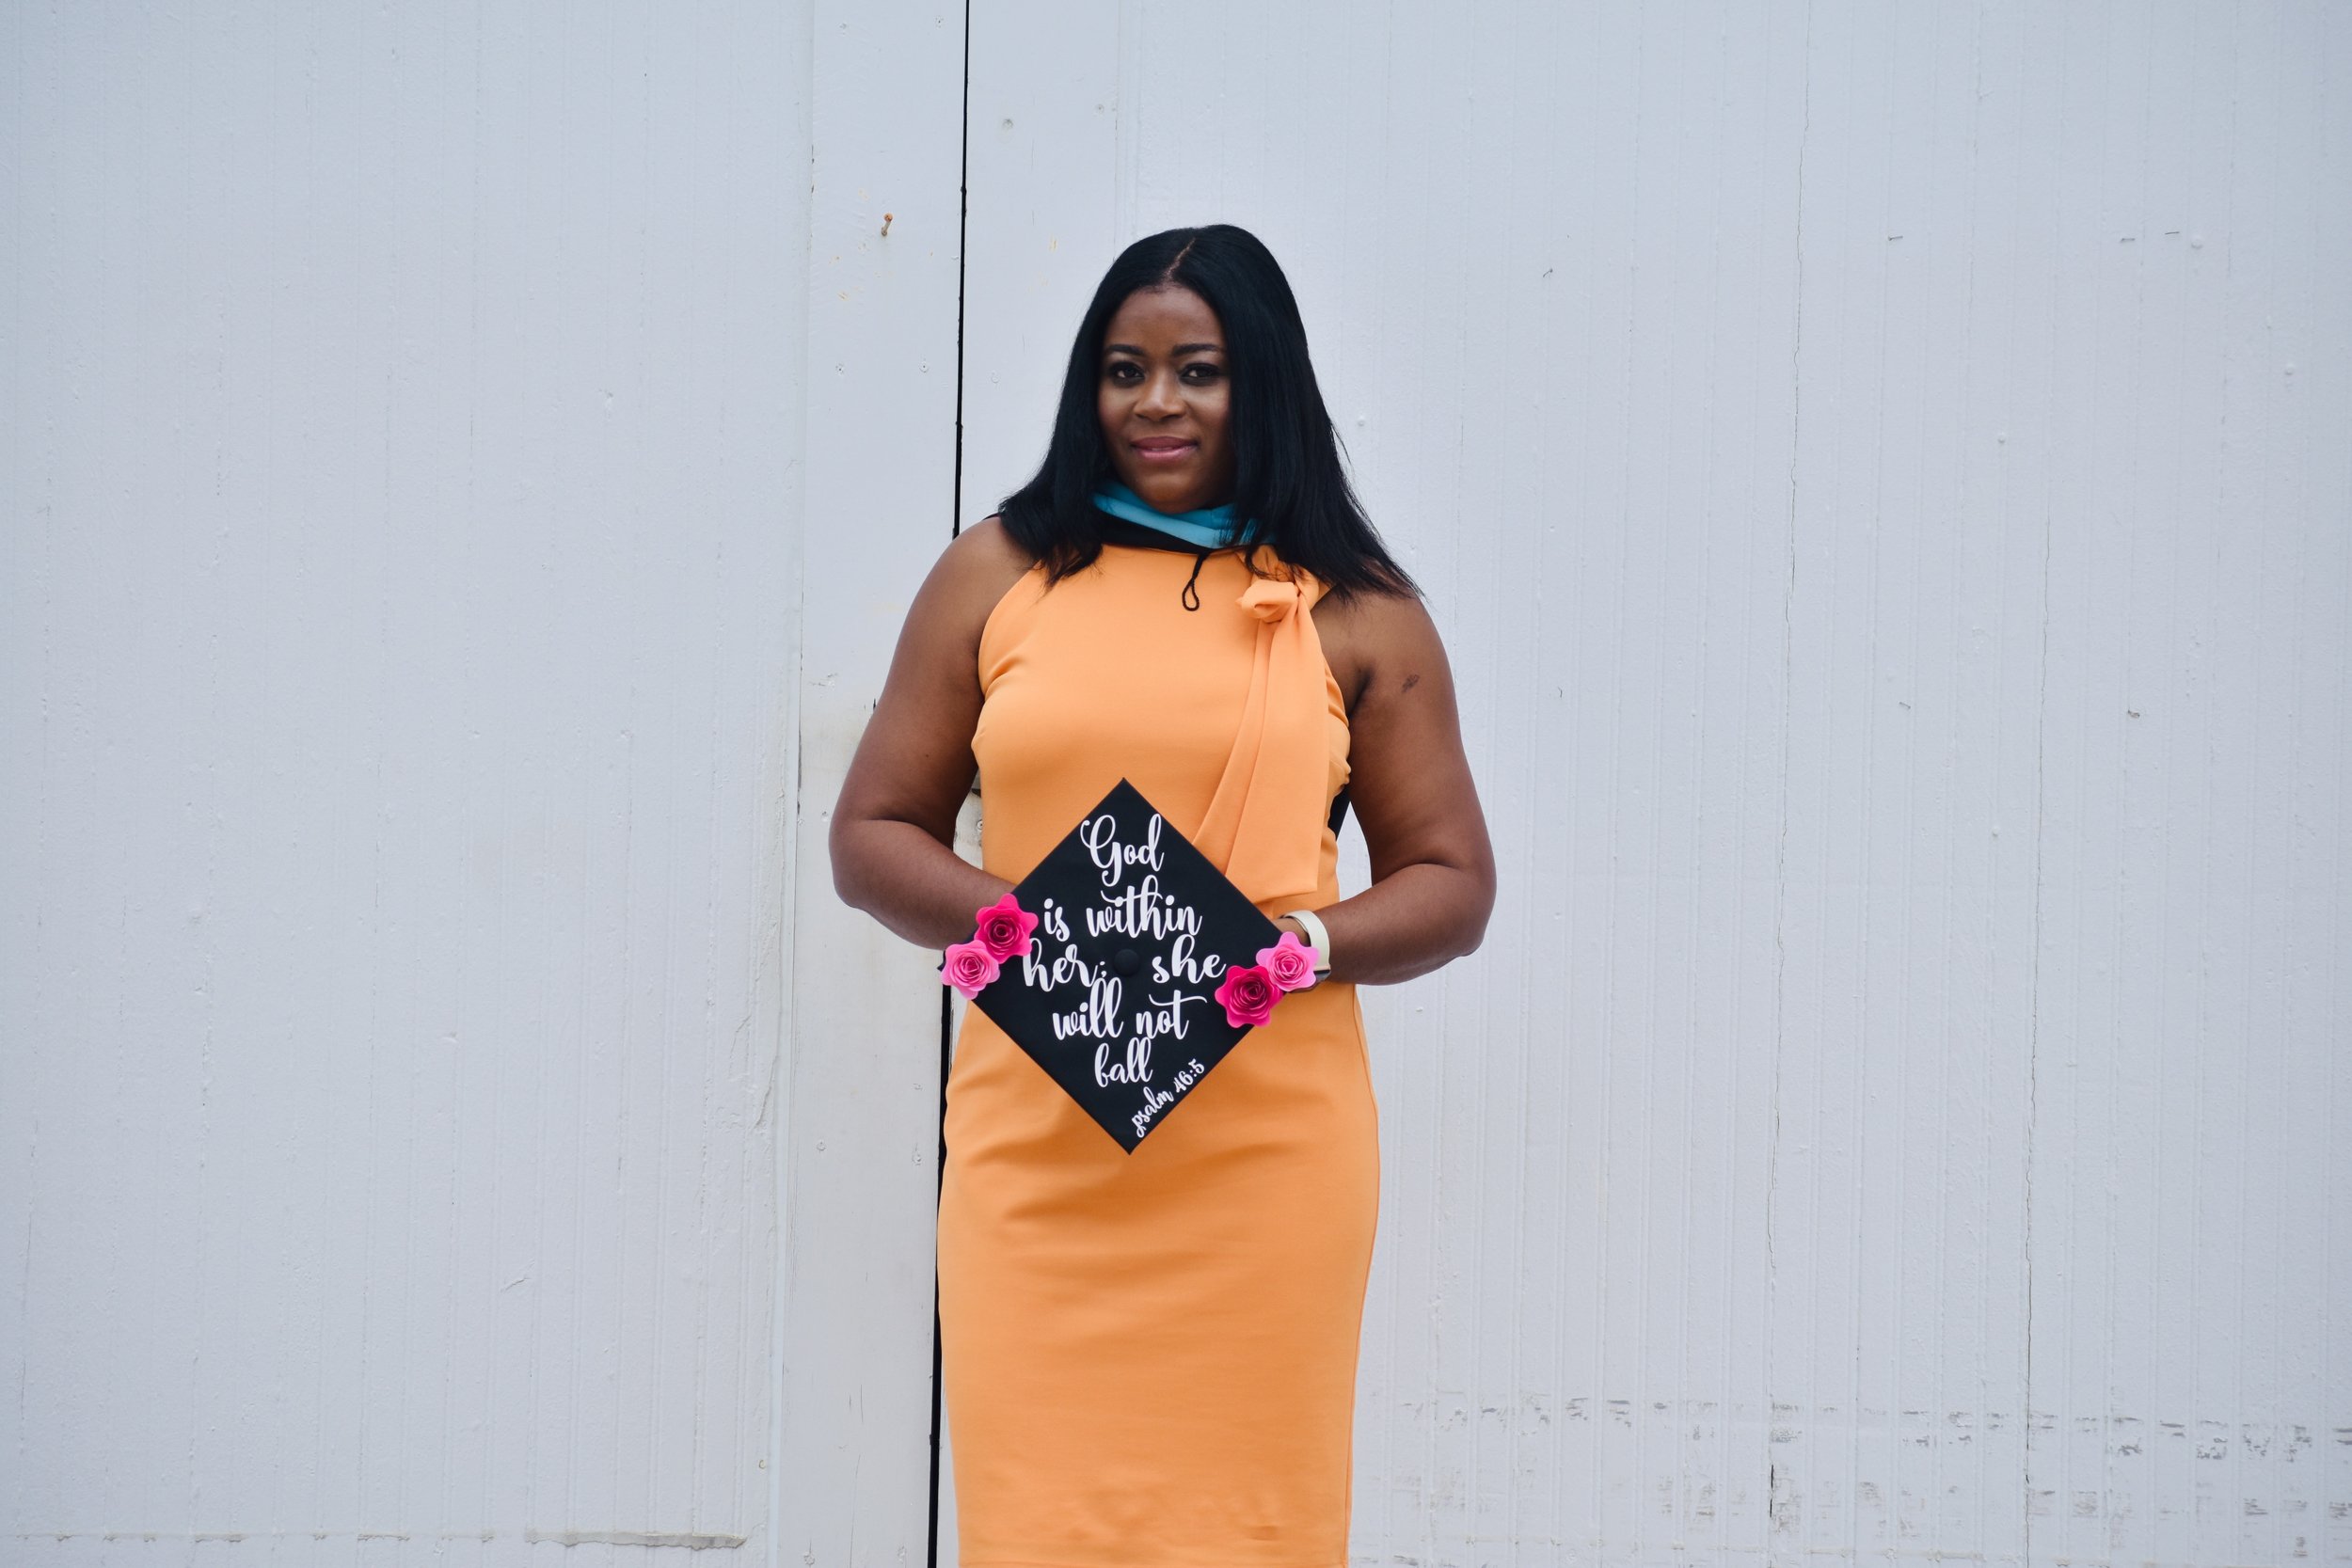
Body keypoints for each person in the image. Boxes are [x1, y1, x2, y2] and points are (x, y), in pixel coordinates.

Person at [830, 224, 1495, 1566]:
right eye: (1123, 369)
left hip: (1268, 1154)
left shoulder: (1356, 612)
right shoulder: (996, 576)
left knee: (1255, 1522)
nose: (1155, 402)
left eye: (1198, 369)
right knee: (1039, 1520)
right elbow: (872, 832)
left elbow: (1453, 881)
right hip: (1040, 1147)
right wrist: (1028, 930)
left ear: (1268, 386)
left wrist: (1300, 944)